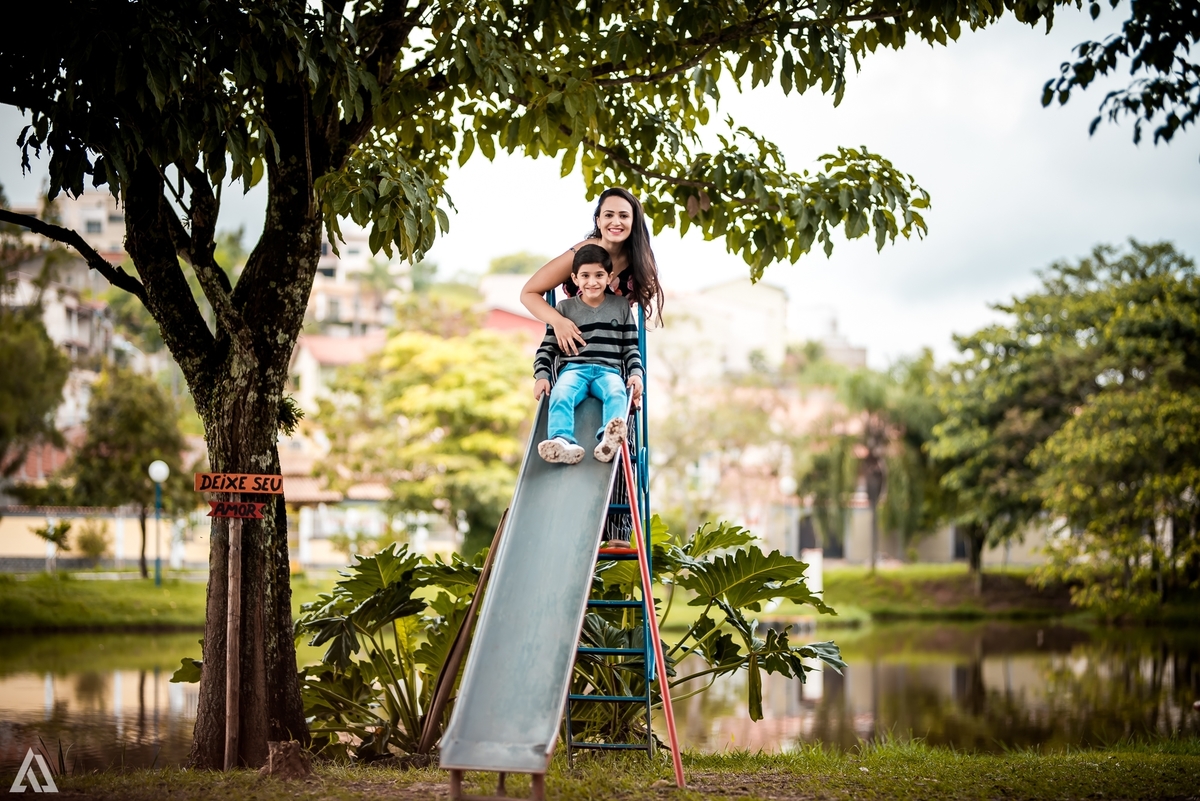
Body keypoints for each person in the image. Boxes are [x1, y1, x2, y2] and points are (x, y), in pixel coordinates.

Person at [521, 187, 665, 358]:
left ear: (633, 221)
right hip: (576, 353)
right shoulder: (582, 254)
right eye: (609, 215)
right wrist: (558, 321)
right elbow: (528, 293)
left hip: (613, 356)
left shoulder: (639, 261)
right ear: (598, 221)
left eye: (624, 216)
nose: (616, 222)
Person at [533, 244, 643, 464]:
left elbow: (631, 347)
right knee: (561, 392)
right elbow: (547, 348)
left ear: (609, 277)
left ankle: (608, 439)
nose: (592, 282)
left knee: (616, 392)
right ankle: (561, 440)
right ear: (575, 278)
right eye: (585, 275)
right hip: (574, 370)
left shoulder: (620, 307)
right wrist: (542, 376)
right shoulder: (565, 310)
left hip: (608, 370)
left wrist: (636, 373)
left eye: (599, 275)